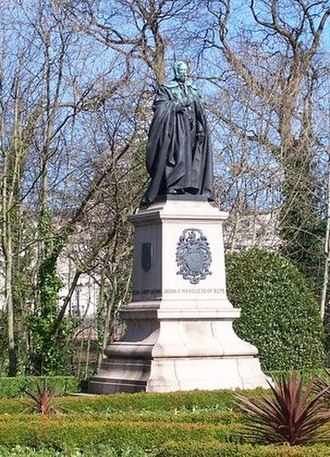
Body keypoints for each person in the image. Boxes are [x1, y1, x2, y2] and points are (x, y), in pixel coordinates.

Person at [142, 61, 214, 205]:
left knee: (193, 159)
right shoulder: (167, 89)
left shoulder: (192, 90)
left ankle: (190, 187)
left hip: (193, 129)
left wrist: (200, 126)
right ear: (176, 72)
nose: (183, 74)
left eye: (185, 71)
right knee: (177, 156)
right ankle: (173, 185)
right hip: (176, 128)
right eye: (180, 71)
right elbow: (159, 106)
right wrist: (176, 106)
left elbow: (199, 110)